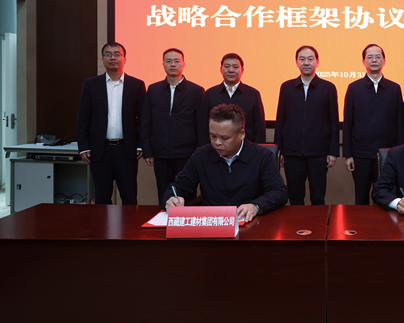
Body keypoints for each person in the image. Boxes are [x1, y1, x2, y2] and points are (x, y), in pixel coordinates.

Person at [163, 104, 288, 223]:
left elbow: (279, 192)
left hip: (249, 222)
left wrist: (255, 206)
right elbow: (177, 187)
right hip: (212, 223)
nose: (217, 142)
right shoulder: (201, 155)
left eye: (225, 138)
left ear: (241, 134)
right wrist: (171, 199)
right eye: (213, 136)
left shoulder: (262, 156)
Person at [76, 42, 146, 204]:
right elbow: (83, 117)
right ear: (102, 59)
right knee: (101, 198)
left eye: (117, 54)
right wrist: (84, 146)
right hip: (99, 151)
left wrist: (141, 144)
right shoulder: (90, 84)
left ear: (124, 59)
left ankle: (129, 223)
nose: (113, 57)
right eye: (108, 54)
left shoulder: (136, 85)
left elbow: (143, 119)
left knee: (129, 198)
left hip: (126, 151)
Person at [274, 45, 339, 205]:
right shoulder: (286, 87)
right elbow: (280, 120)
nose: (306, 62)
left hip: (319, 153)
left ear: (317, 62)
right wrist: (279, 151)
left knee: (318, 197)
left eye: (310, 59)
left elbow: (333, 121)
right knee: (295, 197)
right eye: (302, 59)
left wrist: (332, 152)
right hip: (292, 153)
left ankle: (318, 222)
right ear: (297, 62)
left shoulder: (328, 88)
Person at [140, 48, 204, 205]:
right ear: (163, 64)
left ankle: (188, 220)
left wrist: (199, 152)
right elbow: (146, 121)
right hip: (161, 154)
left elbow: (201, 125)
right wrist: (148, 151)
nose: (173, 64)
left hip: (187, 154)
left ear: (183, 64)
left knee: (188, 193)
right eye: (169, 61)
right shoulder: (153, 89)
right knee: (164, 193)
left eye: (176, 61)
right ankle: (164, 219)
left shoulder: (196, 91)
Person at [343, 44, 404, 205]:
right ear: (363, 61)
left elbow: (399, 122)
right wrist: (348, 154)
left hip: (388, 155)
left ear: (384, 61)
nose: (374, 60)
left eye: (378, 57)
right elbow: (348, 122)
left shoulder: (394, 88)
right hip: (360, 154)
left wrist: (399, 152)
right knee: (361, 198)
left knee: (386, 197)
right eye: (369, 57)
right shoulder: (354, 88)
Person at [198, 53, 265, 145]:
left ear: (242, 70)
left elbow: (259, 127)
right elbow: (203, 127)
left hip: (246, 149)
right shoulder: (210, 94)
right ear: (221, 70)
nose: (231, 70)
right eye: (227, 66)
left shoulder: (253, 94)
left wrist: (259, 149)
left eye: (235, 67)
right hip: (216, 147)